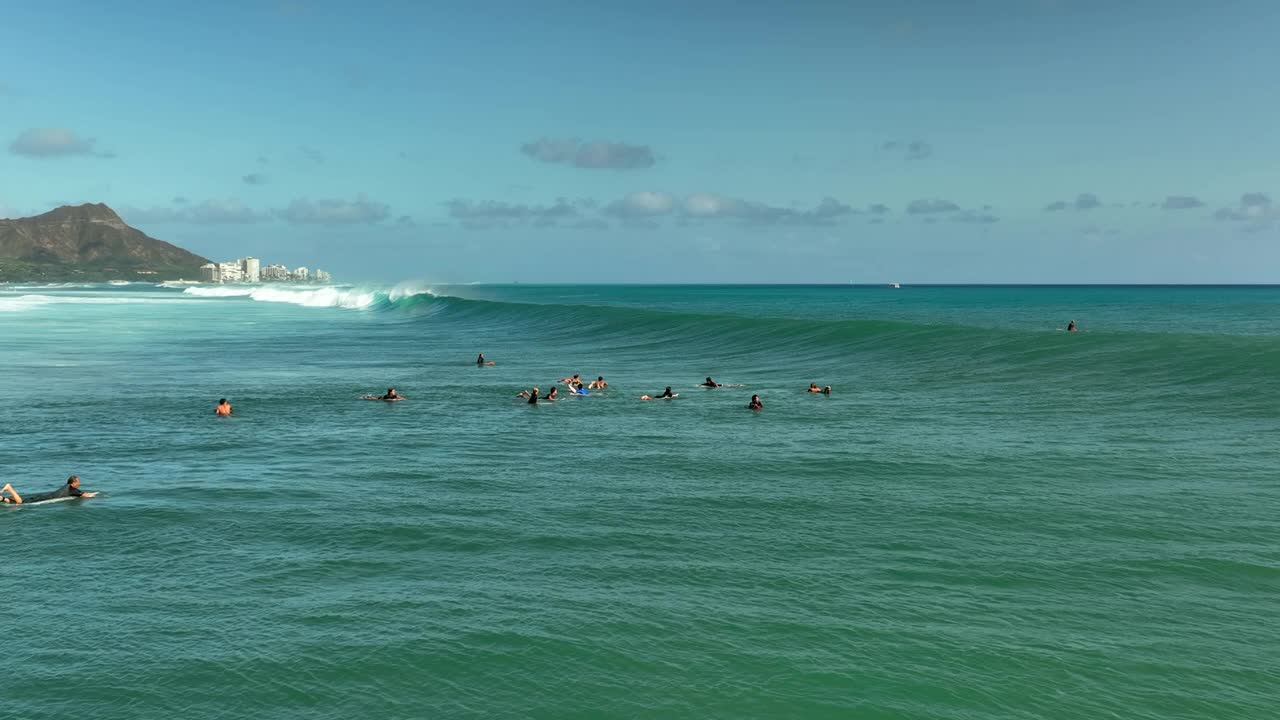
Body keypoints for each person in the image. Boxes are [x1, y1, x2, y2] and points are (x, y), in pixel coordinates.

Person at [1, 476, 97, 505]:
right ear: (73, 483)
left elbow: (81, 493)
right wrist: (95, 495)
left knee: (16, 502)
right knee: (21, 503)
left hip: (44, 497)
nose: (79, 483)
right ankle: (9, 488)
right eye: (78, 482)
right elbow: (85, 495)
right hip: (42, 499)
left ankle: (2, 498)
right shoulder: (72, 490)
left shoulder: (67, 487)